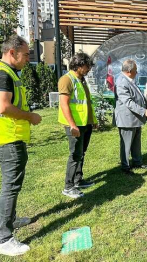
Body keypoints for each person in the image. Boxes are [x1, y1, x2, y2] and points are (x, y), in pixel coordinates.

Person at [0, 35, 42, 256]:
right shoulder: (1, 74)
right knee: (10, 187)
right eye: (26, 54)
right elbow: (3, 107)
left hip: (10, 138)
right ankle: (3, 239)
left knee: (12, 186)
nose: (28, 59)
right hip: (7, 139)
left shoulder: (6, 72)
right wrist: (30, 117)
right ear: (12, 53)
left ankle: (12, 220)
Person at [58, 52, 97, 199]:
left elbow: (86, 102)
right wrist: (72, 125)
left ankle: (78, 180)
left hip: (84, 123)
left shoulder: (81, 79)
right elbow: (64, 105)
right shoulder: (66, 80)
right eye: (87, 67)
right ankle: (68, 187)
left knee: (81, 153)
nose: (89, 70)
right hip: (75, 125)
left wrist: (92, 120)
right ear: (80, 65)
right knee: (75, 155)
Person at [114, 59, 147, 174]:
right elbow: (128, 102)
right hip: (127, 119)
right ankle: (125, 167)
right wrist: (144, 111)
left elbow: (137, 95)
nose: (137, 73)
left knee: (136, 142)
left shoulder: (130, 80)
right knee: (126, 144)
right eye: (135, 70)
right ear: (129, 70)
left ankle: (137, 162)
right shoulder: (122, 82)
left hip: (134, 118)